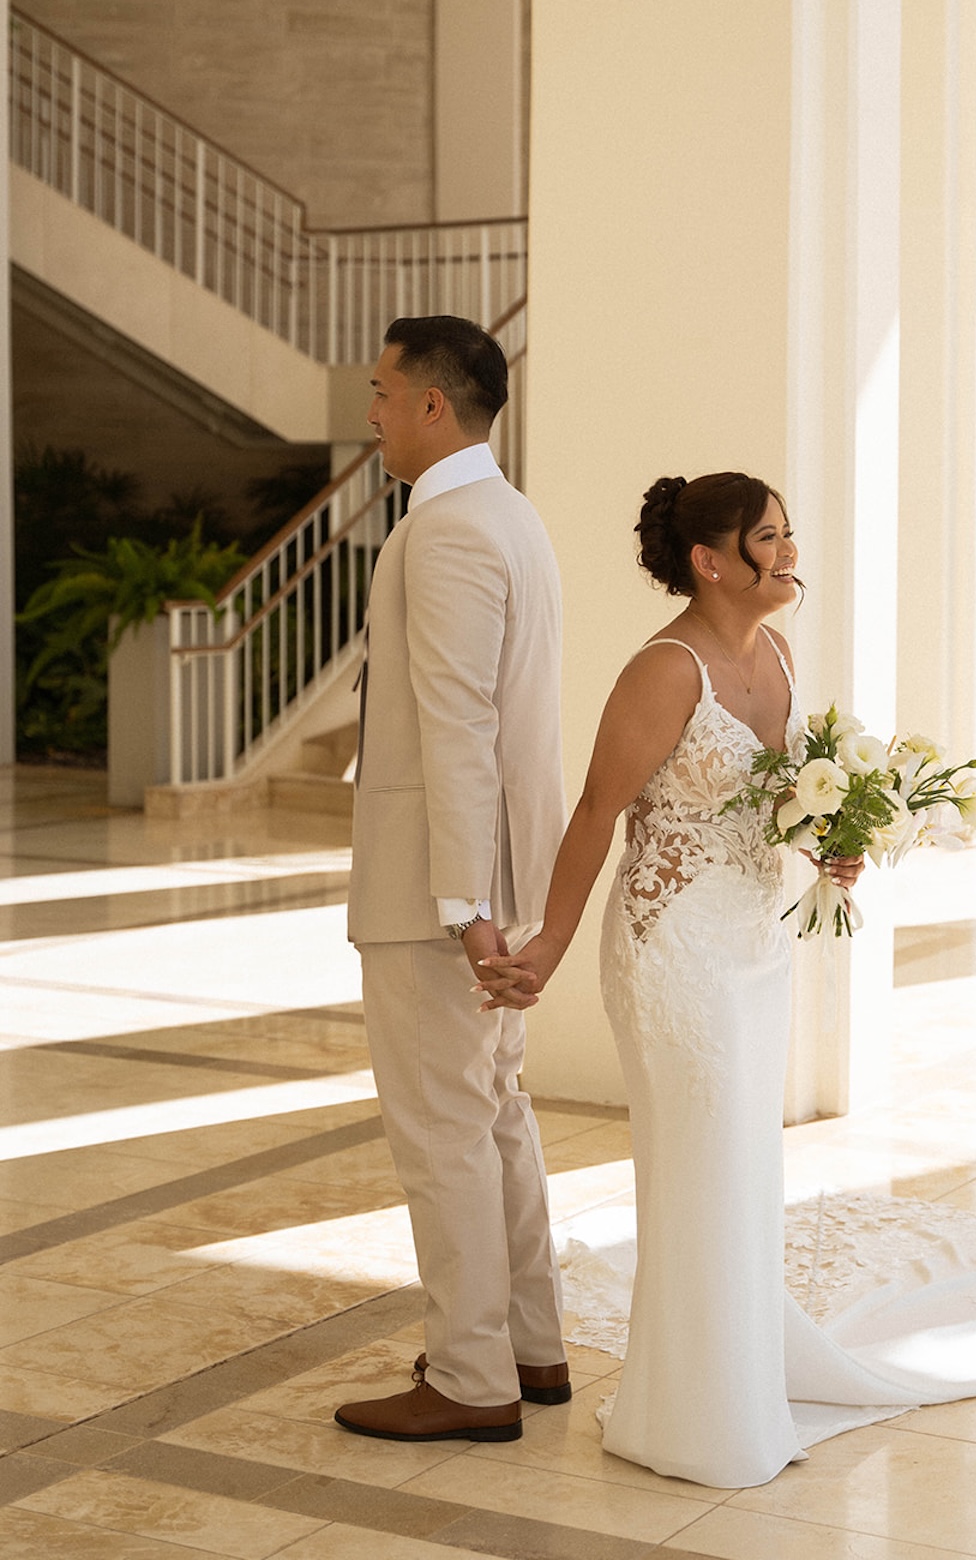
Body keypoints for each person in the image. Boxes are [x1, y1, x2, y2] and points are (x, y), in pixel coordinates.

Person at [476, 471, 976, 1489]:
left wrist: (832, 845)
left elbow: (776, 797)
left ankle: (734, 1373)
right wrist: (547, 945)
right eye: (768, 537)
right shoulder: (663, 669)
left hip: (753, 941)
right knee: (696, 1161)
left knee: (739, 1164)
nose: (787, 552)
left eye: (784, 533)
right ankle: (690, 1413)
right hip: (672, 948)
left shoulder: (772, 652)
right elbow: (597, 812)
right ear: (709, 559)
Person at [333, 315, 570, 1446]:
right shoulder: (507, 515)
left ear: (433, 404)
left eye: (382, 392)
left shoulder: (450, 531)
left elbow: (460, 723)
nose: (369, 411)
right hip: (483, 871)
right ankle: (530, 1348)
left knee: (441, 1129)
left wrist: (462, 909)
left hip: (442, 886)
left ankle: (470, 1376)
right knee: (493, 1118)